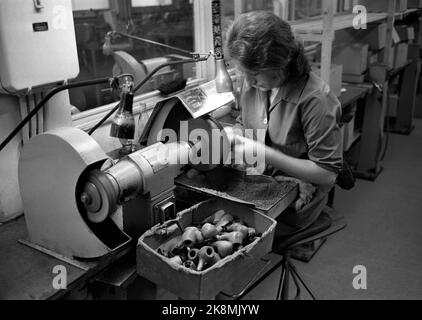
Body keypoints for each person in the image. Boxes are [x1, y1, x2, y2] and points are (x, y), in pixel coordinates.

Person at [225, 11, 343, 236]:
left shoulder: (316, 99)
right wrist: (235, 133)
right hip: (262, 180)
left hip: (297, 200)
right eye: (243, 72)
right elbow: (245, 121)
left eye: (255, 73)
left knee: (238, 236)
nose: (248, 81)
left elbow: (327, 173)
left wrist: (264, 153)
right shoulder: (254, 84)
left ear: (282, 63)